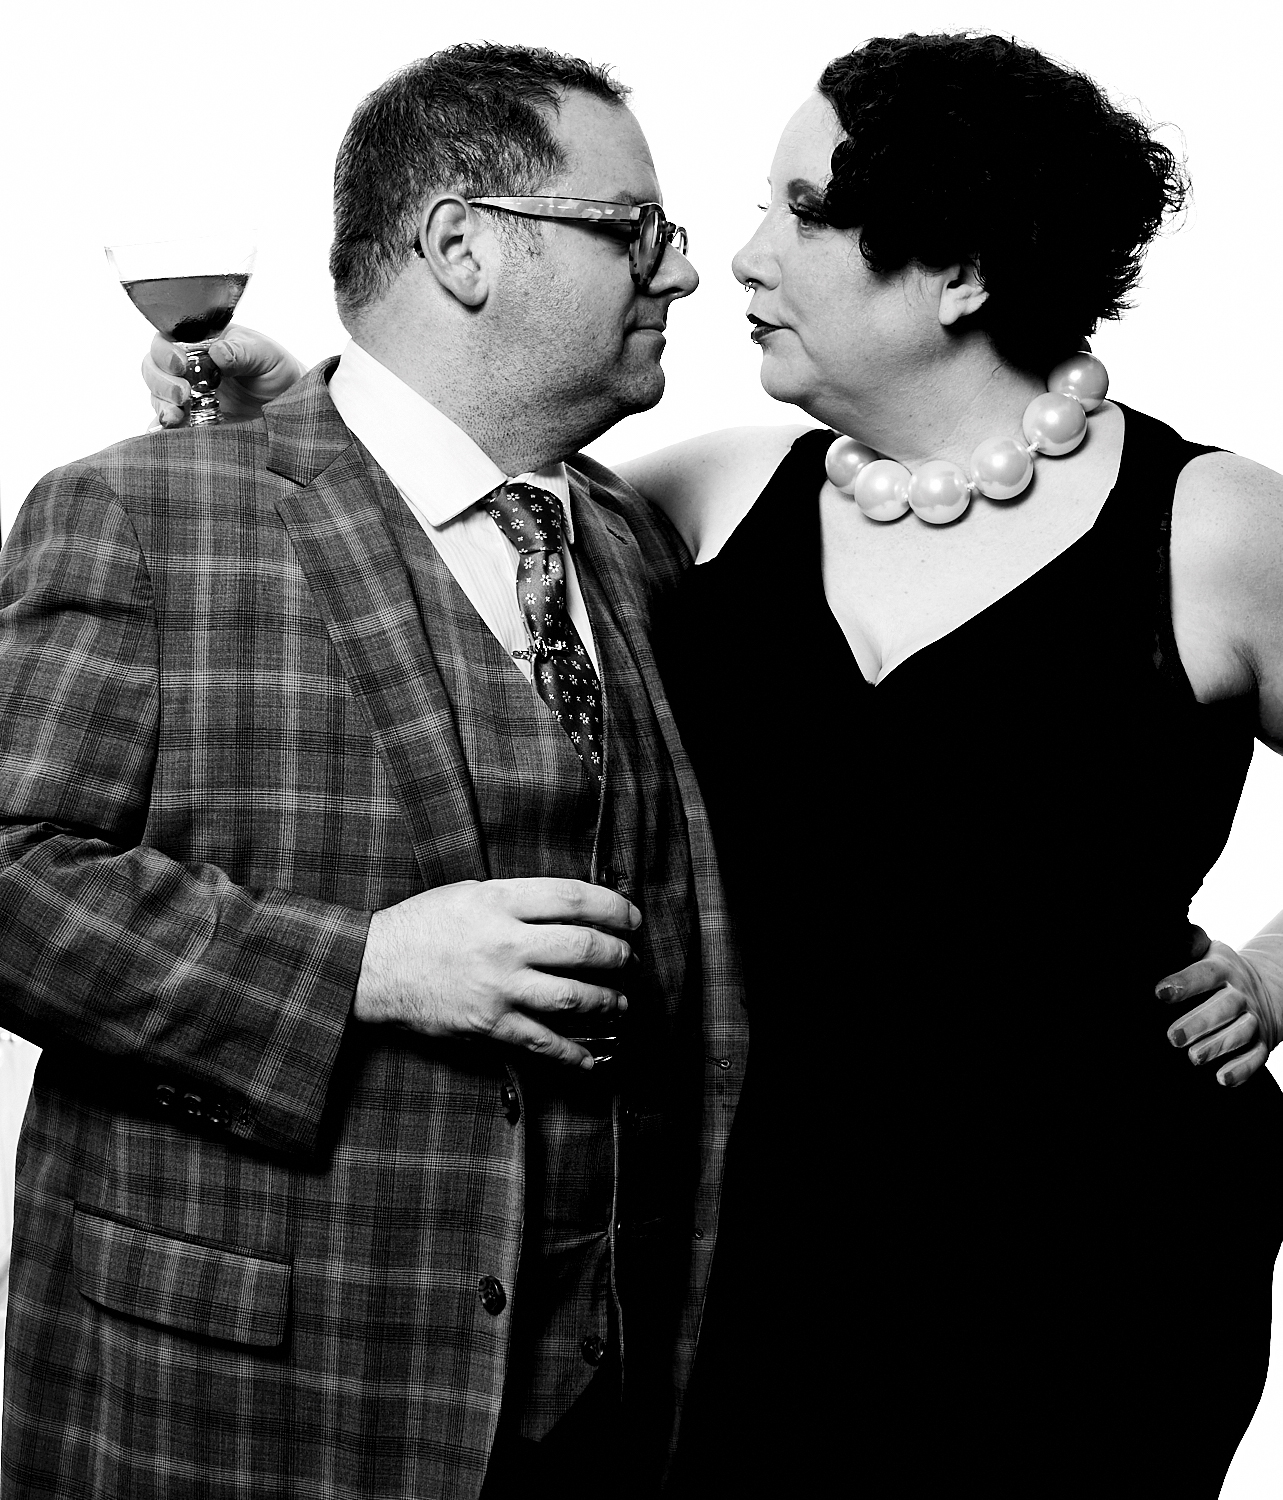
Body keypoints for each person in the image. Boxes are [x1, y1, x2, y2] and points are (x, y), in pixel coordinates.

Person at [147, 32, 1283, 1498]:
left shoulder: (1211, 527)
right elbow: (446, 499)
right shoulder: (715, 496)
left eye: (803, 210)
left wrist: (1274, 972)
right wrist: (298, 400)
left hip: (1100, 1264)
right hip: (748, 1250)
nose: (737, 259)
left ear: (960, 272)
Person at [0, 44, 748, 1500]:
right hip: (239, 1410)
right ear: (464, 246)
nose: (681, 270)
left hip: (605, 1424)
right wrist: (361, 970)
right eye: (634, 230)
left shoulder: (635, 538)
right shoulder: (139, 512)